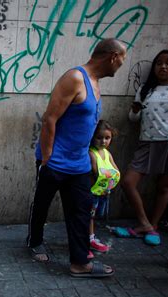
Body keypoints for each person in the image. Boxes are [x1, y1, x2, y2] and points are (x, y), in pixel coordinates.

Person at [26, 38, 127, 278]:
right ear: (113, 56)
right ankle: (34, 241)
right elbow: (50, 118)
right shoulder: (75, 78)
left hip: (79, 162)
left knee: (82, 210)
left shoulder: (95, 82)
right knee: (41, 204)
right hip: (56, 160)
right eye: (122, 59)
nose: (122, 64)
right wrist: (47, 158)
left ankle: (80, 262)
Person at [116, 49, 168, 246]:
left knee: (164, 186)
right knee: (128, 182)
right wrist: (134, 111)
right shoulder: (145, 89)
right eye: (159, 63)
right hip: (147, 141)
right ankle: (144, 224)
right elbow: (133, 119)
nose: (163, 66)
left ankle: (154, 225)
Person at [88, 120, 120, 257]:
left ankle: (90, 237)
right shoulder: (91, 153)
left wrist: (109, 178)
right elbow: (96, 172)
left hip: (103, 192)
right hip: (93, 192)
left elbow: (116, 171)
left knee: (95, 216)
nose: (103, 141)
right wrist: (109, 176)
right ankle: (89, 238)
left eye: (107, 138)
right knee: (89, 216)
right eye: (99, 137)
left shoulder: (107, 153)